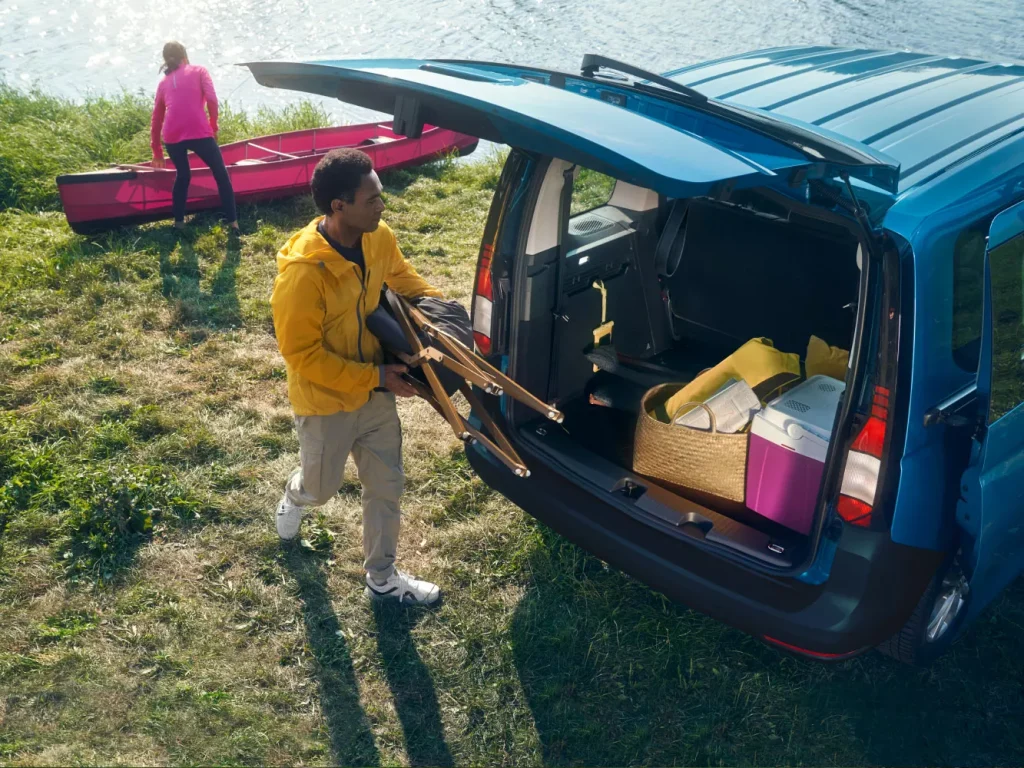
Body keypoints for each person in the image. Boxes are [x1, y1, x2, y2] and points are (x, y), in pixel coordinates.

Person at [271, 148, 443, 605]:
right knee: (321, 489)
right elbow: (302, 355)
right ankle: (296, 496)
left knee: (386, 485)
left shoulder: (377, 236)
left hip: (376, 392)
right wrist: (376, 376)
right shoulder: (303, 276)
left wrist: (445, 315)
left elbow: (403, 278)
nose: (382, 206)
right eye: (372, 199)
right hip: (326, 402)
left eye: (380, 195)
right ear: (338, 206)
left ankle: (382, 578)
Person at [150, 41, 238, 231]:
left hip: (172, 135)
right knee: (220, 174)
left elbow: (156, 118)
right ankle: (233, 224)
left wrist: (157, 151)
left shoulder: (163, 83)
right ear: (185, 56)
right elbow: (212, 99)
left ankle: (179, 224)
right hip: (198, 130)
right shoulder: (199, 71)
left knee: (183, 175)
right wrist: (213, 125)